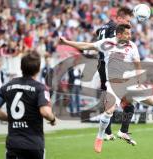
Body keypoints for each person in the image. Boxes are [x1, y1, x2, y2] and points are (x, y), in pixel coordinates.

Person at [59, 24, 146, 153]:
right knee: (109, 111)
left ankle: (123, 131)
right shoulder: (107, 43)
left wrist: (140, 81)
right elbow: (86, 45)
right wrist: (67, 42)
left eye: (130, 33)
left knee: (151, 100)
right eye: (127, 33)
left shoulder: (132, 46)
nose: (130, 36)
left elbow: (137, 65)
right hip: (114, 83)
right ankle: (100, 136)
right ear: (119, 34)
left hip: (129, 82)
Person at [0, 52, 56, 159]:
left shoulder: (7, 86)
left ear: (21, 67)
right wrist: (52, 119)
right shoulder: (40, 88)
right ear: (38, 70)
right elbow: (45, 112)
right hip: (33, 144)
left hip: (13, 143)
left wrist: (10, 118)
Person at [95, 7, 133, 142]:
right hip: (109, 65)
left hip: (101, 63)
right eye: (127, 21)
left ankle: (108, 132)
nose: (129, 24)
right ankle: (120, 130)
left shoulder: (104, 27)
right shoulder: (114, 29)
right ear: (119, 18)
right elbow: (114, 45)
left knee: (108, 96)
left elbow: (97, 34)